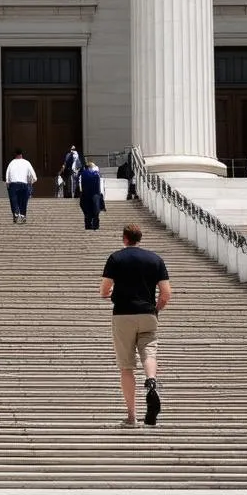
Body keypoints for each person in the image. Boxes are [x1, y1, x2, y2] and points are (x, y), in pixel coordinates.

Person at [100, 223, 171, 427]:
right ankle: (151, 381)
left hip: (123, 314)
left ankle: (132, 416)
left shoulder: (116, 258)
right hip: (148, 314)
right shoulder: (155, 259)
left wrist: (109, 294)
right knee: (149, 353)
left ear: (124, 238)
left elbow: (104, 289)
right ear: (140, 238)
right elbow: (166, 294)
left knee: (126, 366)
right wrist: (156, 308)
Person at [4, 149, 37, 224]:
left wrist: (7, 182)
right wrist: (30, 182)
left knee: (14, 200)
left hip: (13, 184)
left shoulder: (11, 163)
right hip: (24, 184)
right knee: (23, 201)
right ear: (22, 155)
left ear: (15, 155)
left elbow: (7, 175)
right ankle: (23, 215)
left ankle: (15, 213)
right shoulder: (27, 162)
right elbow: (34, 177)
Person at [79, 160, 103, 230]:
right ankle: (95, 225)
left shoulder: (82, 174)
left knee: (87, 212)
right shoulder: (96, 174)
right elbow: (99, 186)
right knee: (96, 211)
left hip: (85, 195)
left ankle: (88, 225)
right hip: (95, 195)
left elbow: (80, 185)